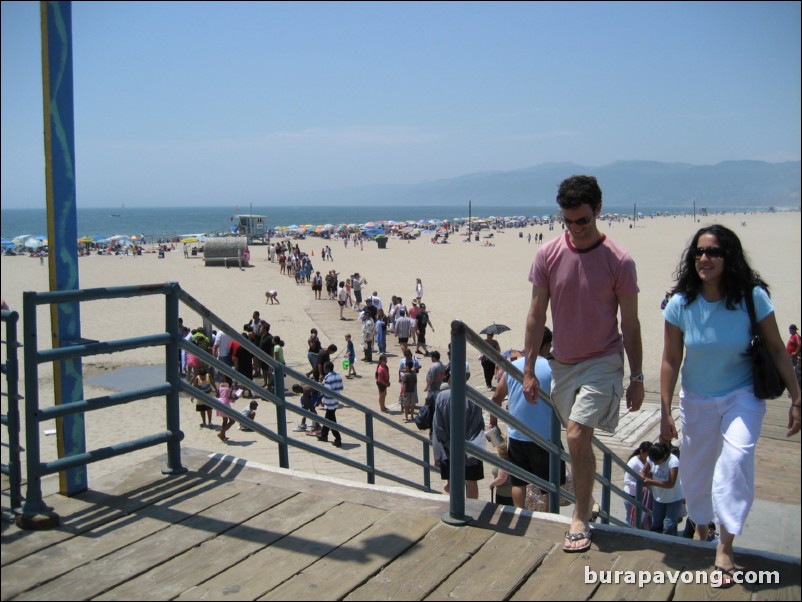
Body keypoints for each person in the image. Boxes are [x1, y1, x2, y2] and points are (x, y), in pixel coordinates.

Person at [660, 224, 801, 584]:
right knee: (695, 472)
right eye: (699, 252)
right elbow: (670, 360)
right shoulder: (680, 304)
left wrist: (798, 397)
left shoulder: (751, 297)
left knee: (736, 460)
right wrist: (664, 410)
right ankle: (701, 525)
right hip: (696, 399)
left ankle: (725, 547)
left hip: (743, 395)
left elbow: (775, 349)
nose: (704, 258)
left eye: (713, 252)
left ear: (729, 257)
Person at [523, 175, 644, 553]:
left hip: (604, 360)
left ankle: (580, 516)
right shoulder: (547, 254)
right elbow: (535, 314)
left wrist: (637, 376)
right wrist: (528, 369)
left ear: (599, 211)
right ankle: (587, 499)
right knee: (576, 441)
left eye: (583, 221)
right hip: (563, 363)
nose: (575, 229)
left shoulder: (619, 261)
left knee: (577, 435)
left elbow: (632, 323)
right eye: (568, 221)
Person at [490, 327, 566, 510]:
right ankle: (548, 518)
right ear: (547, 345)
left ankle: (520, 514)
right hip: (545, 437)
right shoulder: (552, 368)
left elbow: (496, 398)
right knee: (550, 486)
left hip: (517, 435)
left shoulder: (513, 366)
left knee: (518, 482)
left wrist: (493, 422)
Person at [432, 385, 485, 499]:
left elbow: (438, 428)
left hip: (447, 451)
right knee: (472, 482)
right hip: (472, 450)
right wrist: (467, 447)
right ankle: (472, 511)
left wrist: (448, 446)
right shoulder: (474, 397)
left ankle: (450, 511)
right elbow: (477, 426)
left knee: (449, 483)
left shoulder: (441, 397)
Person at [640, 443, 683, 536]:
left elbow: (670, 484)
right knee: (656, 524)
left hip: (673, 498)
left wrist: (651, 482)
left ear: (663, 456)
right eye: (653, 461)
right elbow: (643, 472)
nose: (654, 463)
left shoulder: (673, 461)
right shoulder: (651, 459)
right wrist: (642, 478)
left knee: (669, 526)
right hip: (658, 497)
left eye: (657, 461)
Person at [623, 441, 653, 528]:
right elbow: (627, 481)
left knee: (639, 520)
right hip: (631, 496)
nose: (648, 458)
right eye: (647, 454)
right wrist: (642, 486)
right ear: (641, 451)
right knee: (630, 519)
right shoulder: (633, 463)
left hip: (641, 496)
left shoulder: (647, 461)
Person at [318, 361, 344, 448]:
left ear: (327, 368)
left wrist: (321, 385)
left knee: (331, 421)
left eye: (324, 368)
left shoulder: (328, 378)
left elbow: (327, 392)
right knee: (328, 418)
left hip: (329, 402)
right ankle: (324, 435)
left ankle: (338, 438)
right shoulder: (338, 376)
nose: (323, 370)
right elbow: (341, 387)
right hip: (336, 401)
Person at [216, 375, 235, 442]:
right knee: (232, 421)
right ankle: (221, 433)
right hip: (225, 404)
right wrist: (235, 397)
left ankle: (223, 436)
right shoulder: (230, 386)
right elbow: (229, 397)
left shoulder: (220, 385)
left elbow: (217, 395)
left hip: (219, 402)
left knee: (225, 420)